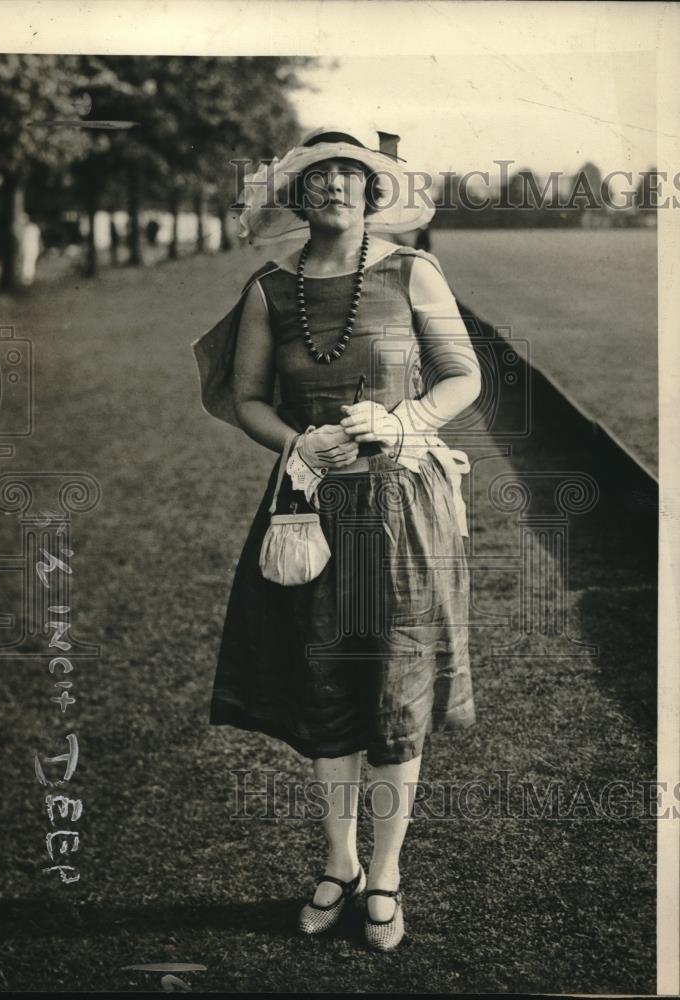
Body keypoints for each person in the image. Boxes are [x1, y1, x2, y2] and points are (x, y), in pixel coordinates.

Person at [191, 125, 481, 951]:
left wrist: (403, 419)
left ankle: (386, 875)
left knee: (394, 690)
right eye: (318, 178)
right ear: (296, 196)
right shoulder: (268, 290)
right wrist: (295, 442)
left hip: (403, 510)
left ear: (375, 190)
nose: (336, 189)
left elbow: (464, 376)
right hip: (309, 508)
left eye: (350, 176)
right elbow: (246, 397)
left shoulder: (414, 271)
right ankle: (341, 861)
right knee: (324, 686)